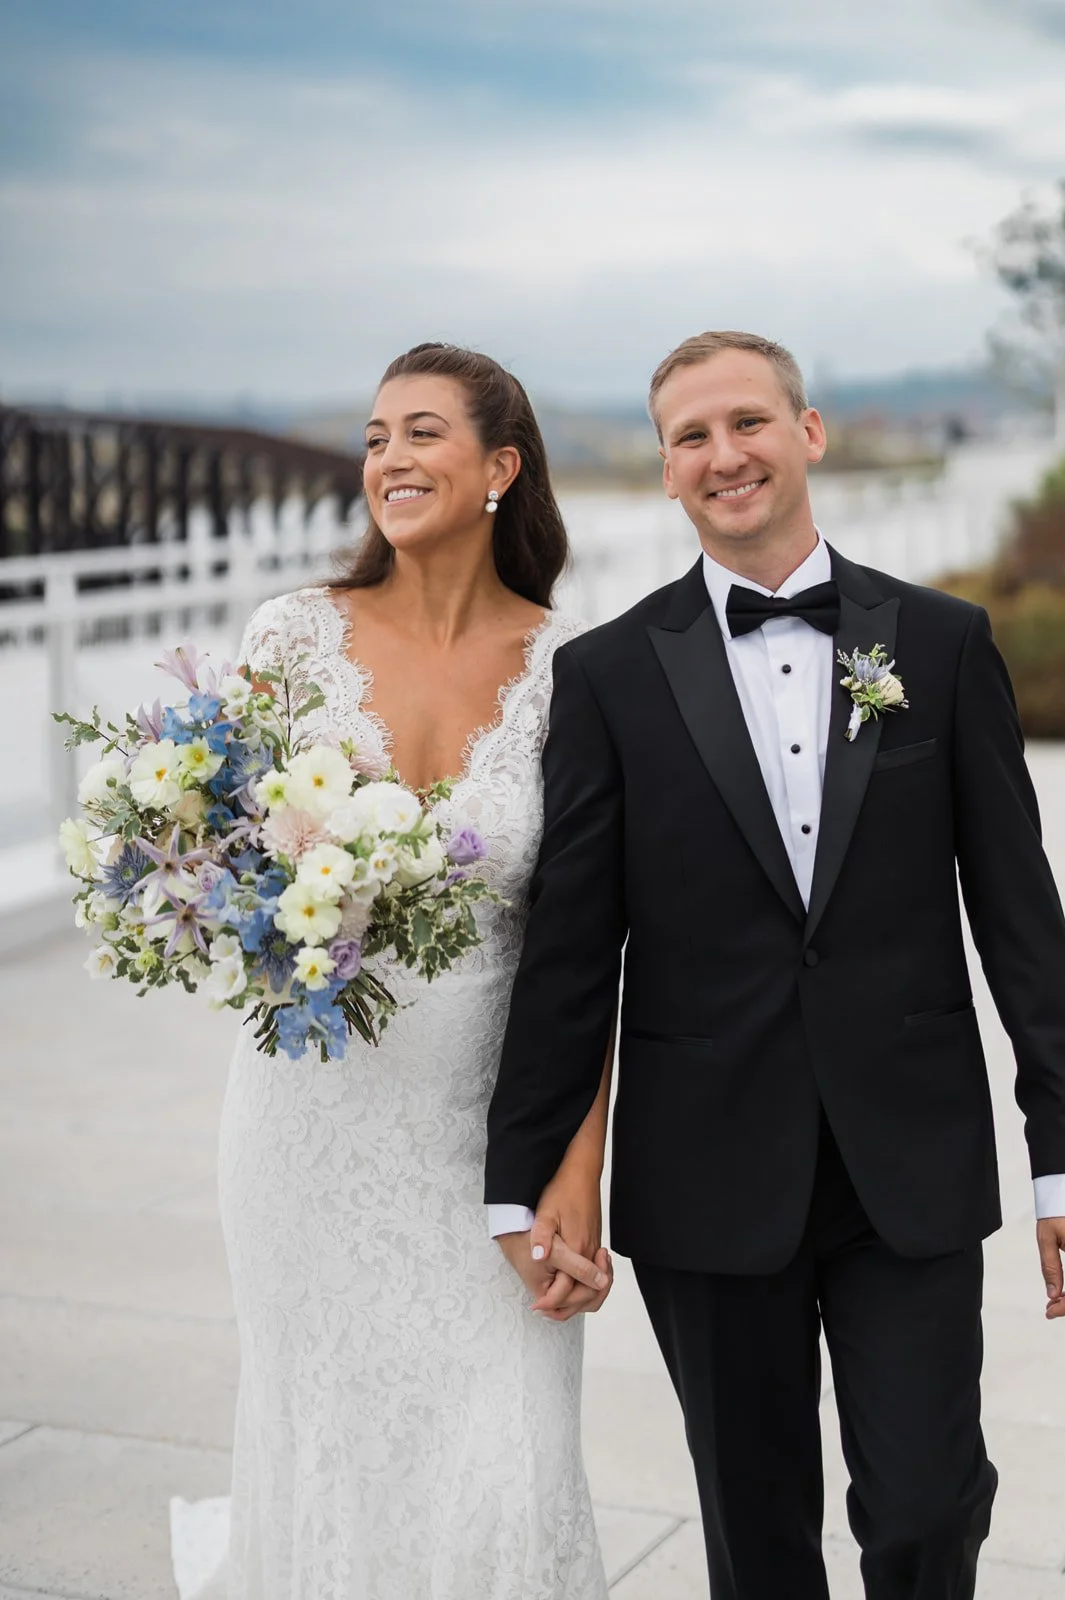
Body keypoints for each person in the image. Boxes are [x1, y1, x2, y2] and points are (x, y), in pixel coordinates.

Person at [485, 331, 1065, 1600]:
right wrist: (526, 1178)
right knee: (757, 1534)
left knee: (929, 1503)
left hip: (910, 1161)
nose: (725, 455)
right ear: (664, 468)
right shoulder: (605, 676)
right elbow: (570, 951)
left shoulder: (940, 642)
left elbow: (1021, 919)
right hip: (707, 1172)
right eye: (691, 437)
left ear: (809, 432)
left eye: (748, 422)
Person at [191, 343, 612, 1599]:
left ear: (501, 468)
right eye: (376, 438)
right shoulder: (289, 634)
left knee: (505, 1451)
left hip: (487, 1126)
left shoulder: (574, 669)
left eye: (422, 432)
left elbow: (588, 945)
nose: (390, 459)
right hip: (304, 1122)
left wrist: (577, 1171)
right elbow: (216, 854)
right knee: (320, 1431)